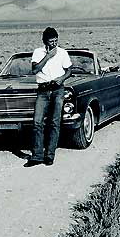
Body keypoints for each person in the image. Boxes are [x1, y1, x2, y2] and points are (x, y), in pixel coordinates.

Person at [24, 27, 72, 167]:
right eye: (51, 41)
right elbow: (35, 70)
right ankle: (37, 155)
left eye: (56, 40)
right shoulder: (38, 52)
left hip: (57, 89)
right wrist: (48, 56)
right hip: (43, 90)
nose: (54, 44)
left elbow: (69, 70)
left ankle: (50, 155)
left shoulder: (63, 53)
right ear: (45, 41)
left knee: (54, 122)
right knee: (37, 122)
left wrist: (62, 78)